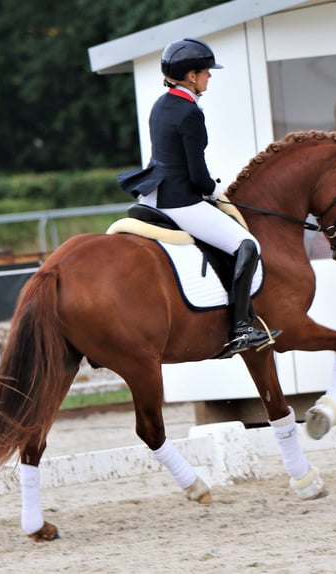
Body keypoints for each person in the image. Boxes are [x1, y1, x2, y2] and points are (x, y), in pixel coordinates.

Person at [117, 37, 279, 356]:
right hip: (180, 202)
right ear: (191, 75)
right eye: (206, 71)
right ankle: (241, 328)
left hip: (151, 197)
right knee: (247, 244)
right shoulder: (191, 113)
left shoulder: (161, 104)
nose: (209, 77)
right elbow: (196, 173)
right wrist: (213, 189)